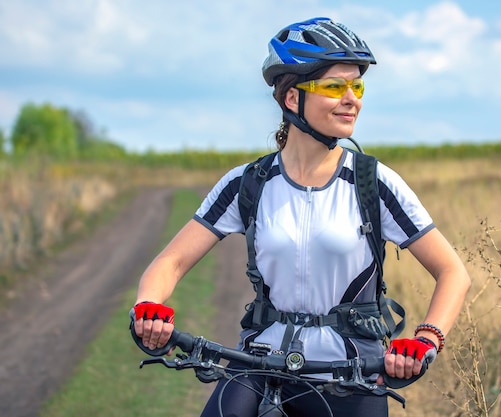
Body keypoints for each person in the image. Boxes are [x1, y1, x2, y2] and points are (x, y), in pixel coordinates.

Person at [131, 17, 471, 417]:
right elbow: (170, 262)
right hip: (260, 363)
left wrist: (425, 340)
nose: (352, 98)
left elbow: (453, 272)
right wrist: (148, 307)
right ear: (292, 98)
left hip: (352, 370)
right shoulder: (249, 182)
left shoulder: (373, 182)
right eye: (334, 86)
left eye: (356, 86)